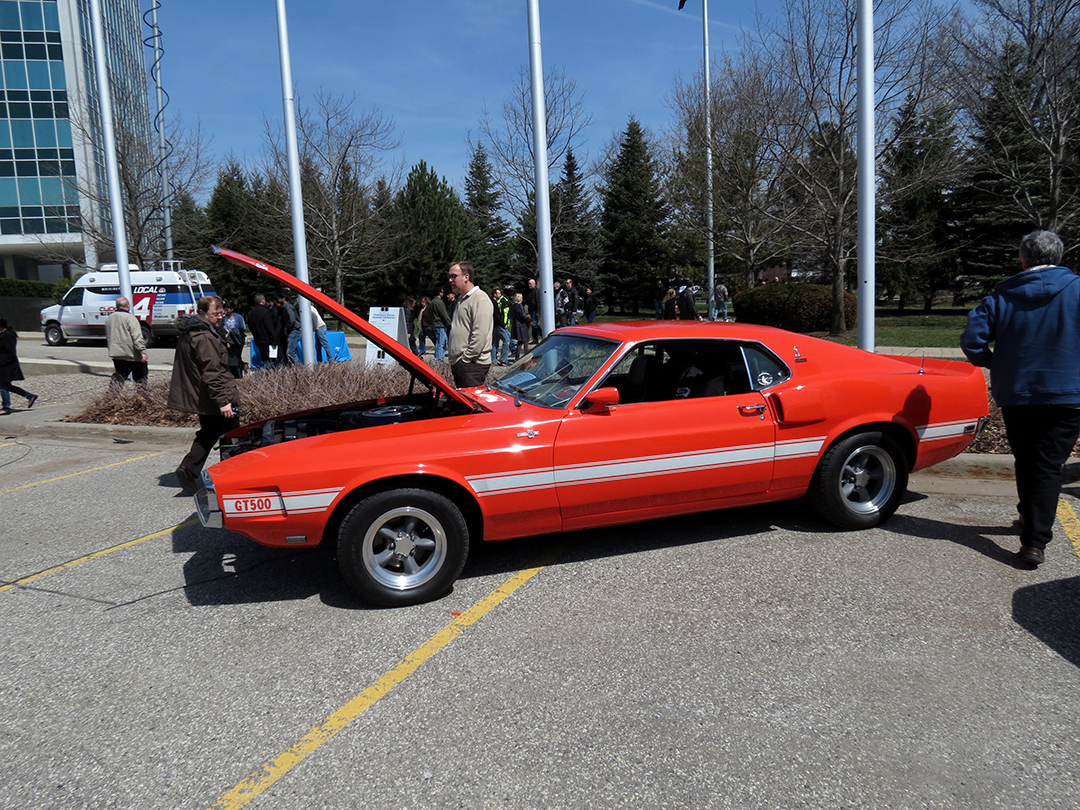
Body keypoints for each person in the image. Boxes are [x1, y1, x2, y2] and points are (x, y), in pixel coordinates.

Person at [961, 230, 1080, 567]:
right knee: (1047, 465)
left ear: (1023, 258)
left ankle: (1030, 521)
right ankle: (1035, 540)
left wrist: (995, 362)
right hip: (1067, 393)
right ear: (1059, 256)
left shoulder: (1001, 297)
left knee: (1028, 460)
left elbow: (972, 341)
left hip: (1017, 391)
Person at [168, 295, 239, 495]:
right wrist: (223, 402)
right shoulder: (204, 337)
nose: (220, 317)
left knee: (209, 432)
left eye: (221, 313)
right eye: (215, 314)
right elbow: (212, 372)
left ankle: (188, 468)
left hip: (203, 395)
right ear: (202, 313)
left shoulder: (192, 332)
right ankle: (231, 477)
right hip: (215, 396)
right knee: (233, 435)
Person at [447, 261, 494, 388]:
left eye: (454, 276)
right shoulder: (461, 299)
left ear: (466, 277)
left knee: (469, 400)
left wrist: (466, 358)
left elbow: (480, 334)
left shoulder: (480, 299)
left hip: (472, 365)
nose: (450, 280)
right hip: (462, 363)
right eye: (449, 277)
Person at [103, 296, 148, 386]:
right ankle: (142, 394)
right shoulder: (130, 318)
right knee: (140, 378)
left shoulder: (109, 318)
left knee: (119, 376)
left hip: (116, 353)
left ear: (117, 306)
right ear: (128, 305)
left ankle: (113, 393)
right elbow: (137, 336)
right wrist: (142, 351)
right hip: (132, 353)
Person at [0, 317, 37, 414]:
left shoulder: (7, 336)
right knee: (6, 386)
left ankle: (6, 407)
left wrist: (2, 362)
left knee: (2, 385)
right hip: (5, 364)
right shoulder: (3, 334)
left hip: (7, 365)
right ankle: (30, 396)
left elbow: (10, 353)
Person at [247, 294, 278, 369]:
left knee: (264, 357)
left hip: (257, 338)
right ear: (263, 301)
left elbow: (250, 325)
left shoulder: (250, 313)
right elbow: (269, 327)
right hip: (267, 339)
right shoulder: (265, 311)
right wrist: (274, 340)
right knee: (272, 360)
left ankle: (265, 369)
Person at [222, 300, 247, 378]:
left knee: (237, 355)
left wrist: (234, 331)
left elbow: (243, 328)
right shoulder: (225, 319)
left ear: (231, 309)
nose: (226, 311)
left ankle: (240, 370)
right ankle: (238, 368)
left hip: (238, 338)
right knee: (232, 356)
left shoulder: (238, 317)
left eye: (227, 309)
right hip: (230, 339)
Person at [492, 287, 512, 365]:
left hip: (494, 325)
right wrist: (503, 324)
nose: (500, 295)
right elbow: (497, 316)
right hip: (498, 325)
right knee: (506, 341)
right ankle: (503, 359)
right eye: (499, 293)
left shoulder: (492, 302)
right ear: (494, 294)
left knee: (495, 342)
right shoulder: (494, 303)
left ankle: (493, 359)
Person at [430, 289, 451, 361]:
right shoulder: (439, 302)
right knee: (441, 342)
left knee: (440, 341)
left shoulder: (432, 302)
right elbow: (443, 313)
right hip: (440, 324)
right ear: (439, 293)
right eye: (442, 292)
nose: (443, 293)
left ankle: (439, 357)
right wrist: (449, 322)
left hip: (435, 324)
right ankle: (438, 358)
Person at [509, 292, 531, 361]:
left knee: (520, 342)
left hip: (516, 325)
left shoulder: (513, 306)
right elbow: (523, 316)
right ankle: (526, 355)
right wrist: (529, 319)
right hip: (522, 326)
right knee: (526, 341)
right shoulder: (520, 306)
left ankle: (517, 356)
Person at [525, 278, 542, 343]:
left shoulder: (537, 291)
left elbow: (538, 302)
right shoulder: (529, 292)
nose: (529, 285)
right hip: (531, 310)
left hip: (536, 310)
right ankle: (535, 338)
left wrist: (538, 311)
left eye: (530, 284)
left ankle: (543, 334)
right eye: (528, 284)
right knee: (532, 325)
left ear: (534, 284)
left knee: (534, 324)